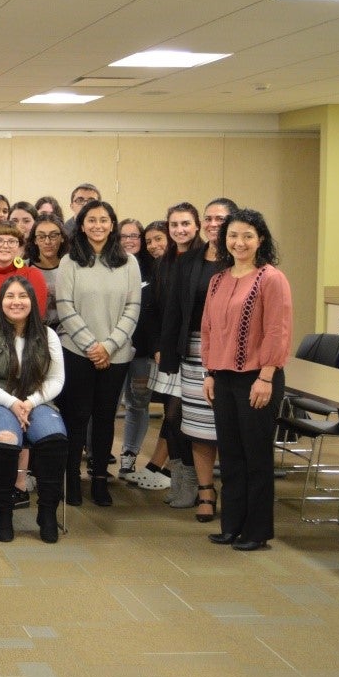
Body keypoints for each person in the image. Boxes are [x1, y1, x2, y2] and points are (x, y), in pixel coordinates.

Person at [202, 209, 292, 552]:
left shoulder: (271, 278)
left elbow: (277, 331)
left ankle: (256, 531)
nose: (239, 243)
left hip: (258, 378)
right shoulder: (218, 279)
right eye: (233, 236)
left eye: (247, 236)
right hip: (223, 378)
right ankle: (232, 526)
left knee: (256, 456)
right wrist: (210, 372)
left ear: (261, 240)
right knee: (231, 454)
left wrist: (266, 376)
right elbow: (209, 329)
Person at [0, 276, 68, 543]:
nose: (16, 302)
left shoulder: (48, 335)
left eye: (23, 296)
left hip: (35, 400)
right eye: (10, 296)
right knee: (7, 438)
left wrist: (30, 402)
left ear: (33, 301)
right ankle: (3, 513)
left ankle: (47, 512)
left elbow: (56, 380)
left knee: (54, 439)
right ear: (1, 301)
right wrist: (11, 403)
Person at [54, 199, 142, 508]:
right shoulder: (69, 262)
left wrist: (109, 345)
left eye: (104, 220)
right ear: (81, 225)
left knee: (106, 418)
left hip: (115, 355)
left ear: (113, 224)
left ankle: (100, 479)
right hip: (77, 352)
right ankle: (72, 479)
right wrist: (92, 345)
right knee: (76, 417)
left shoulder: (129, 262)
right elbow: (65, 307)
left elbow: (133, 307)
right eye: (91, 220)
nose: (98, 225)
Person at [173, 198, 239, 519]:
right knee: (198, 426)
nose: (214, 223)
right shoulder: (191, 260)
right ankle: (205, 491)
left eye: (220, 218)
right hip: (195, 350)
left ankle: (234, 491)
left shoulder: (242, 260)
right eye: (209, 218)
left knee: (226, 424)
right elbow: (177, 307)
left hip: (232, 353)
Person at [136, 202, 202, 496]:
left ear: (197, 226)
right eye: (174, 225)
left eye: (185, 224)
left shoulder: (204, 259)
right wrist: (158, 346)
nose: (180, 230)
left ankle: (187, 479)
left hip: (198, 350)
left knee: (183, 416)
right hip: (170, 351)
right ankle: (178, 476)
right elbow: (156, 310)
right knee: (172, 415)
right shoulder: (165, 263)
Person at [117, 218, 156, 482]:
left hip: (143, 351)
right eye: (123, 236)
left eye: (135, 236)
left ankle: (129, 455)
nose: (129, 240)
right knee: (105, 404)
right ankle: (97, 455)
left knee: (138, 404)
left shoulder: (154, 269)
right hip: (114, 349)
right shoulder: (112, 266)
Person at [26, 213, 68, 328]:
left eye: (53, 235)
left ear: (62, 237)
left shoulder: (70, 267)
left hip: (65, 330)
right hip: (33, 328)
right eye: (41, 236)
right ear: (34, 240)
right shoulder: (25, 267)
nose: (47, 242)